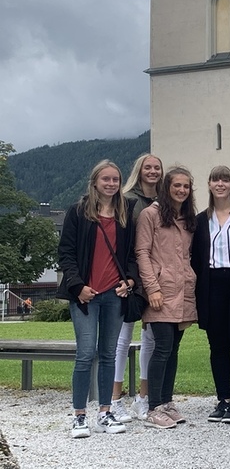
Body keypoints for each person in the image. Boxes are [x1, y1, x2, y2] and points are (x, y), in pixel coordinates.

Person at [58, 160, 139, 438]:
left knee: (108, 354)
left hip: (114, 294)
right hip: (85, 295)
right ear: (94, 182)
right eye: (106, 179)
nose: (111, 184)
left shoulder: (125, 212)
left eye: (115, 179)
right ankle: (79, 416)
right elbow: (66, 253)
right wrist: (77, 286)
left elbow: (132, 255)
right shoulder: (78, 212)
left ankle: (105, 412)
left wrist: (130, 281)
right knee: (85, 354)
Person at [190, 166, 230, 424]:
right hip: (212, 283)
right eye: (216, 180)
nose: (220, 184)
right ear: (209, 183)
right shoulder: (200, 220)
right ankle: (223, 398)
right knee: (217, 343)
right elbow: (196, 258)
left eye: (225, 180)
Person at [136, 166, 198, 429]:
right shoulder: (150, 215)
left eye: (186, 186)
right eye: (177, 185)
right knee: (162, 348)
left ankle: (166, 402)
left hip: (183, 291)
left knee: (173, 350)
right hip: (160, 291)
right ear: (167, 187)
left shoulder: (187, 218)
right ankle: (153, 408)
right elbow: (142, 252)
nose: (181, 190)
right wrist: (152, 288)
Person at [110, 153, 162, 423]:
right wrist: (125, 276)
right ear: (139, 171)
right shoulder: (127, 199)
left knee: (150, 337)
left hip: (156, 275)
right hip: (131, 275)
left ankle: (143, 397)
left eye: (157, 167)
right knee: (123, 338)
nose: (152, 171)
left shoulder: (165, 201)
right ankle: (114, 399)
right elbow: (120, 241)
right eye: (147, 167)